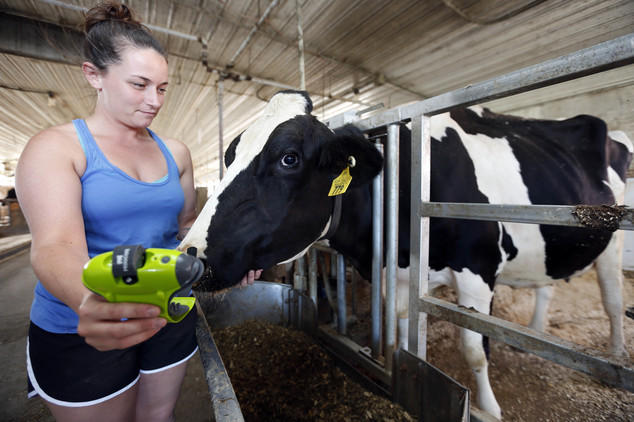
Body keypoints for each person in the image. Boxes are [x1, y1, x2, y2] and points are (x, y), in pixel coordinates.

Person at [16, 2, 258, 421]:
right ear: (94, 76)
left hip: (169, 314)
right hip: (85, 324)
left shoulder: (176, 152)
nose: (154, 100)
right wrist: (91, 301)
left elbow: (184, 229)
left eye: (162, 88)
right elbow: (55, 246)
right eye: (140, 84)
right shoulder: (56, 148)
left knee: (156, 418)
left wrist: (230, 259)